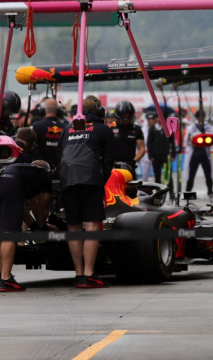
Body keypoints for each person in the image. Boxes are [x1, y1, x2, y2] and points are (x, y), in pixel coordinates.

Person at [58, 95, 115, 288]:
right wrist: (101, 180)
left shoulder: (67, 129)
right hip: (90, 179)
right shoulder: (103, 129)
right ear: (99, 112)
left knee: (73, 227)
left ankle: (79, 274)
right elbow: (109, 161)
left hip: (67, 180)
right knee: (91, 225)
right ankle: (90, 274)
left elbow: (61, 154)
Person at [0, 160, 53, 292]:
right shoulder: (44, 175)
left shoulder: (23, 169)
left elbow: (19, 207)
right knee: (8, 233)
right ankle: (6, 279)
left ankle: (2, 277)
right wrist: (42, 226)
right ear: (48, 170)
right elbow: (42, 205)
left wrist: (33, 225)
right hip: (10, 185)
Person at [111, 100, 145, 176]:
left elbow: (142, 148)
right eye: (122, 120)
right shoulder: (110, 128)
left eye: (127, 119)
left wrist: (133, 161)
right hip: (113, 166)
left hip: (130, 166)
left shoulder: (137, 129)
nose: (125, 121)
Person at [185, 110, 213, 198]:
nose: (201, 118)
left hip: (205, 153)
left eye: (203, 116)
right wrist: (194, 143)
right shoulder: (192, 127)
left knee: (208, 174)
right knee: (191, 174)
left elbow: (212, 138)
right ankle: (188, 192)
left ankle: (210, 191)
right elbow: (188, 140)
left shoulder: (208, 127)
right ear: (197, 117)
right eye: (200, 117)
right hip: (195, 152)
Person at [31, 98, 64, 169]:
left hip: (39, 168)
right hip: (59, 168)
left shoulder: (36, 126)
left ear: (44, 110)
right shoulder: (65, 128)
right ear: (57, 110)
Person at [146, 113, 170, 185]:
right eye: (158, 117)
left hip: (165, 156)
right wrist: (151, 156)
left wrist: (173, 154)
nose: (159, 119)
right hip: (156, 156)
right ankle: (158, 192)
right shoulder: (152, 129)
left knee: (168, 175)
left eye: (161, 118)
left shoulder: (168, 129)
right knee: (157, 175)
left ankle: (171, 191)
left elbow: (172, 142)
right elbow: (149, 143)